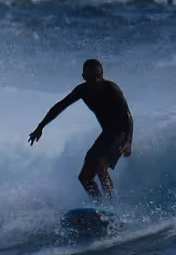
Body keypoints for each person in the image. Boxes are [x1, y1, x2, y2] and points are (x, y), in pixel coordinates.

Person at [29, 59, 133, 200]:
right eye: (91, 78)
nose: (96, 81)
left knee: (100, 164)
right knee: (84, 177)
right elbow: (59, 106)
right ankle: (99, 204)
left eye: (99, 76)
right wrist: (40, 127)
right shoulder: (82, 90)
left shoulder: (112, 89)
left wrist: (128, 141)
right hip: (107, 134)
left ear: (102, 74)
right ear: (84, 77)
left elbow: (128, 116)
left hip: (121, 133)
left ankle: (111, 202)